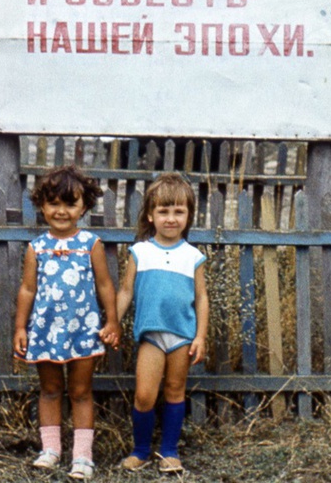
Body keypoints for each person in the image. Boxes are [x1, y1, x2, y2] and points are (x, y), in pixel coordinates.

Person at [13, 164, 120, 480]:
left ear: (83, 207)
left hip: (84, 331)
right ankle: (50, 450)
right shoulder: (37, 247)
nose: (61, 211)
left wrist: (112, 321)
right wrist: (21, 327)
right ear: (42, 206)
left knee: (81, 391)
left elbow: (104, 285)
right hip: (45, 331)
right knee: (49, 390)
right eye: (53, 203)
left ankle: (83, 457)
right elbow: (27, 288)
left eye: (70, 203)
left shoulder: (91, 244)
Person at [116, 172, 209, 473]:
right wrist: (113, 322)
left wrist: (201, 336)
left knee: (174, 390)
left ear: (189, 216)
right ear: (150, 215)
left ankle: (169, 451)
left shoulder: (193, 256)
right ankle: (140, 450)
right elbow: (126, 290)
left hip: (182, 335)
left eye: (179, 211)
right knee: (144, 395)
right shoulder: (140, 252)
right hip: (152, 336)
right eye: (163, 211)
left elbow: (202, 298)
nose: (171, 218)